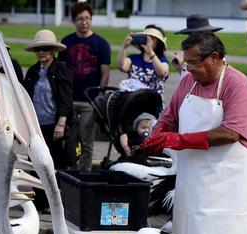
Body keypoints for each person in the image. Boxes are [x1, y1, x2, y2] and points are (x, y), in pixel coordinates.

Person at [140, 31, 247, 234]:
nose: (189, 69)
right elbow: (170, 117)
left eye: (193, 63)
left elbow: (230, 133)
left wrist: (178, 140)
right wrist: (157, 135)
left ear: (214, 57)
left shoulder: (238, 84)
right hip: (192, 181)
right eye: (187, 63)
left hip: (229, 187)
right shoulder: (188, 82)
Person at [58, 1, 111, 172]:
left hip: (89, 100)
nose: (84, 22)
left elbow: (105, 73)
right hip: (69, 100)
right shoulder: (66, 42)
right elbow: (60, 73)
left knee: (87, 141)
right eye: (80, 19)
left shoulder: (101, 44)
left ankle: (85, 174)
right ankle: (69, 171)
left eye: (88, 18)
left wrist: (99, 97)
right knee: (69, 140)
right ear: (73, 21)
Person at [22, 29, 73, 170]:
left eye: (46, 49)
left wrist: (61, 124)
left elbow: (66, 99)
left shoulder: (61, 69)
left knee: (55, 164)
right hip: (35, 126)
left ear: (53, 51)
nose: (41, 52)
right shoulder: (32, 71)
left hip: (54, 126)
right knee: (35, 163)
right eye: (38, 49)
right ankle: (38, 192)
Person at [116, 25, 170, 97]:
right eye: (146, 37)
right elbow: (121, 66)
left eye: (152, 38)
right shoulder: (134, 58)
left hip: (152, 103)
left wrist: (150, 52)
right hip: (132, 101)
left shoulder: (162, 60)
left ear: (158, 43)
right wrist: (124, 47)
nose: (149, 41)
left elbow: (162, 73)